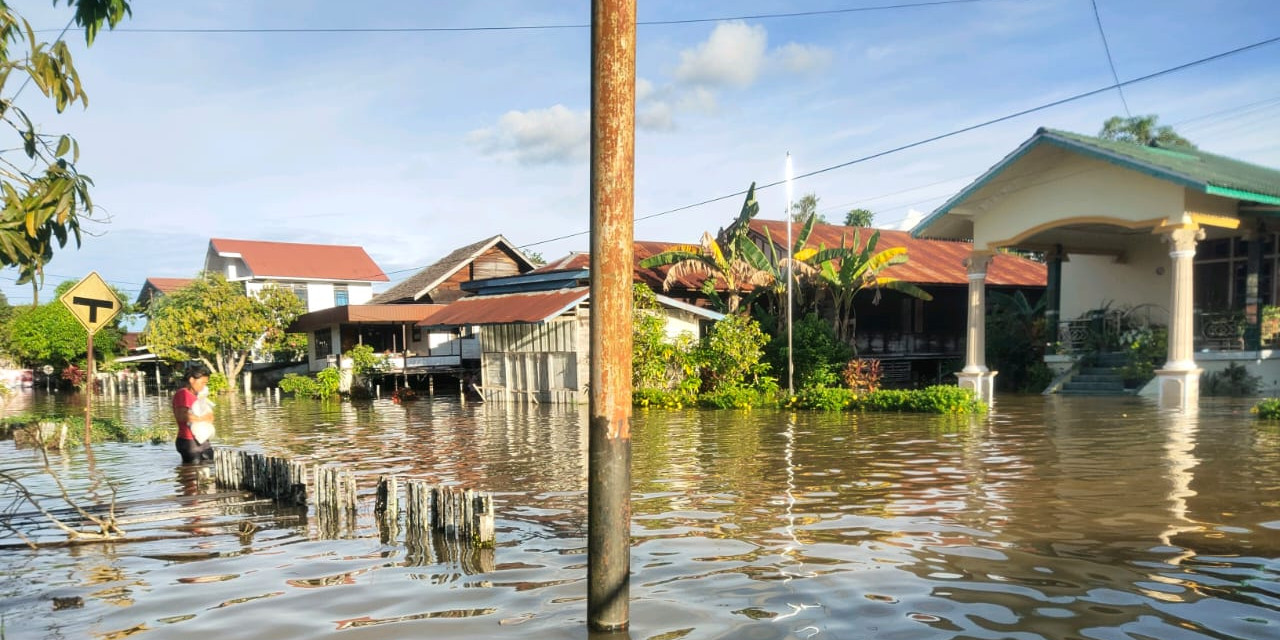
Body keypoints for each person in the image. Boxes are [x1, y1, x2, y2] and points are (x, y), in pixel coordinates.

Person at [173, 364, 215, 463]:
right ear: (192, 380)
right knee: (193, 470)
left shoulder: (199, 396)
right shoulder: (182, 394)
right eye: (202, 383)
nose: (203, 386)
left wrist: (209, 417)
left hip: (202, 439)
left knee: (209, 465)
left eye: (205, 383)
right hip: (188, 441)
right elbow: (181, 416)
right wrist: (203, 418)